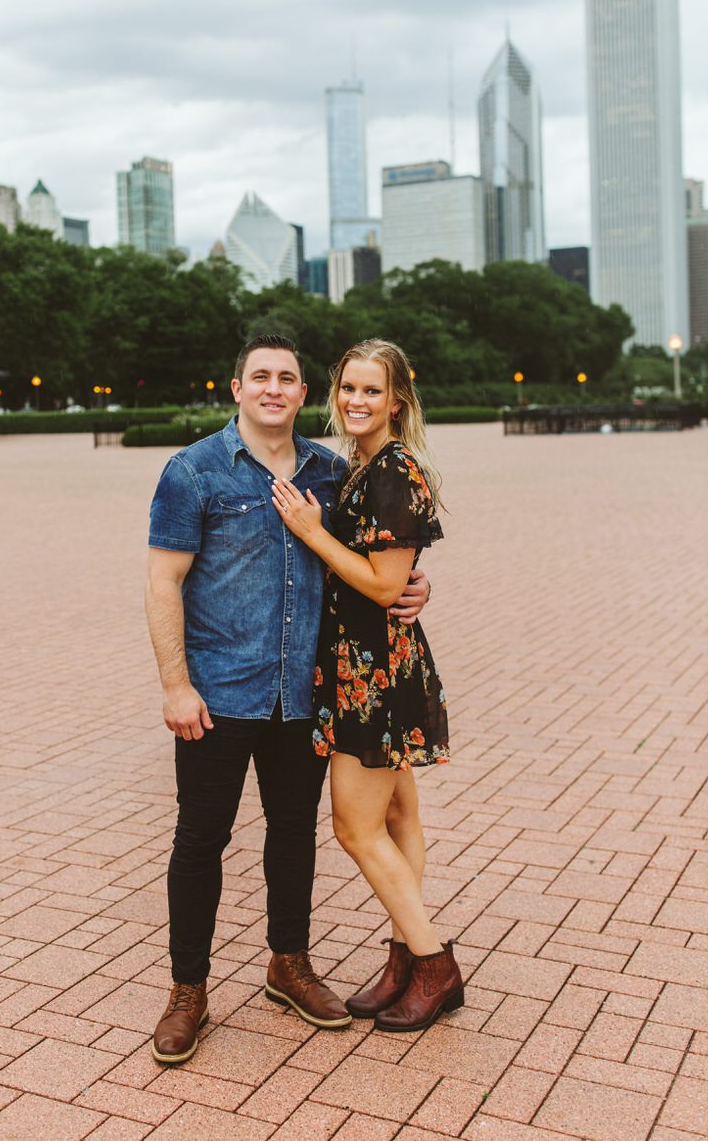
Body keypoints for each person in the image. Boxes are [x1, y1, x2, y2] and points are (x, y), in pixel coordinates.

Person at [145, 335, 430, 1064]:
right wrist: (176, 684)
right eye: (260, 376)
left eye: (287, 378)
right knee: (200, 840)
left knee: (294, 833)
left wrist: (416, 586)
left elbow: (378, 559)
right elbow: (163, 581)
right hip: (218, 693)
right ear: (237, 388)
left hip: (306, 692)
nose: (274, 388)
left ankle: (289, 963)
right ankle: (187, 989)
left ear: (304, 393)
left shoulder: (331, 473)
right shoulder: (193, 471)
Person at [271, 338, 463, 1033]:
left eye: (372, 391)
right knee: (398, 817)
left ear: (397, 401)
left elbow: (384, 585)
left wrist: (311, 532)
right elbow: (394, 573)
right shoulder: (364, 465)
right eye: (348, 388)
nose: (357, 401)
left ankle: (434, 964)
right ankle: (404, 960)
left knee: (355, 828)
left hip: (373, 674)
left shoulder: (393, 470)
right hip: (368, 664)